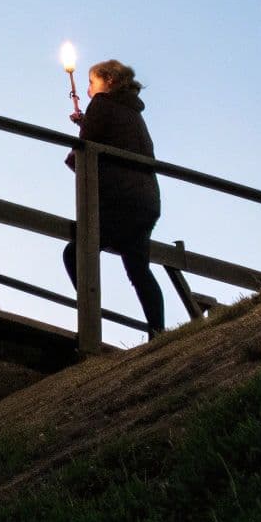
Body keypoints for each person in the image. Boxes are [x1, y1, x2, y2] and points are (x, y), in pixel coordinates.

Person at [63, 58, 167, 338]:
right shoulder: (131, 111)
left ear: (108, 80)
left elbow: (86, 149)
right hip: (146, 199)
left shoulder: (101, 105)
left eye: (91, 81)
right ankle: (158, 332)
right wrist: (86, 121)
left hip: (121, 200)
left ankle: (90, 316)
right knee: (138, 268)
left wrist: (73, 158)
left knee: (75, 253)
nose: (88, 87)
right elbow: (117, 138)